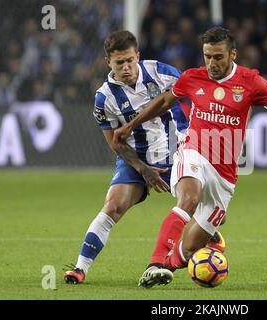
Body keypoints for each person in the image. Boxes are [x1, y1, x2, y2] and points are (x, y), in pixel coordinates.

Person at [113, 26, 267, 288]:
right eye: (207, 56)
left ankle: (169, 266)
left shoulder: (252, 83)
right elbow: (163, 102)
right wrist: (130, 126)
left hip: (225, 172)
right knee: (189, 198)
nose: (211, 63)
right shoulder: (192, 77)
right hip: (193, 149)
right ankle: (155, 264)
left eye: (218, 57)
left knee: (190, 248)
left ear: (233, 54)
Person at [63, 30, 190, 284]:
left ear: (138, 56)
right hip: (136, 160)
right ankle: (80, 268)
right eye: (119, 62)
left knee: (196, 207)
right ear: (108, 62)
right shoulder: (104, 98)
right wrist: (143, 170)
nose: (126, 67)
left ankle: (198, 251)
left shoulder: (161, 72)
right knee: (113, 206)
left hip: (178, 154)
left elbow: (192, 95)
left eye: (130, 60)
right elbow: (114, 143)